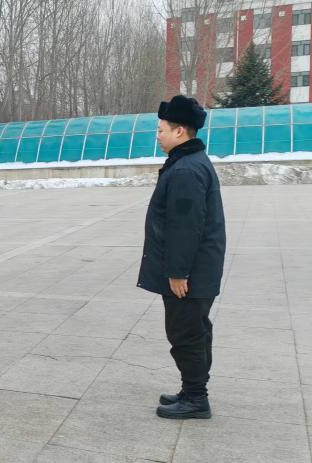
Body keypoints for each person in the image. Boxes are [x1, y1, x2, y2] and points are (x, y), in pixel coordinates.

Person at [138, 95, 225, 420]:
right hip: (198, 269)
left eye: (161, 130)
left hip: (190, 273)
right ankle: (192, 390)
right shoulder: (188, 162)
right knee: (194, 331)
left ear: (180, 131)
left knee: (185, 334)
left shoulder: (186, 170)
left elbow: (185, 226)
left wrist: (177, 273)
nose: (157, 135)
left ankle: (196, 399)